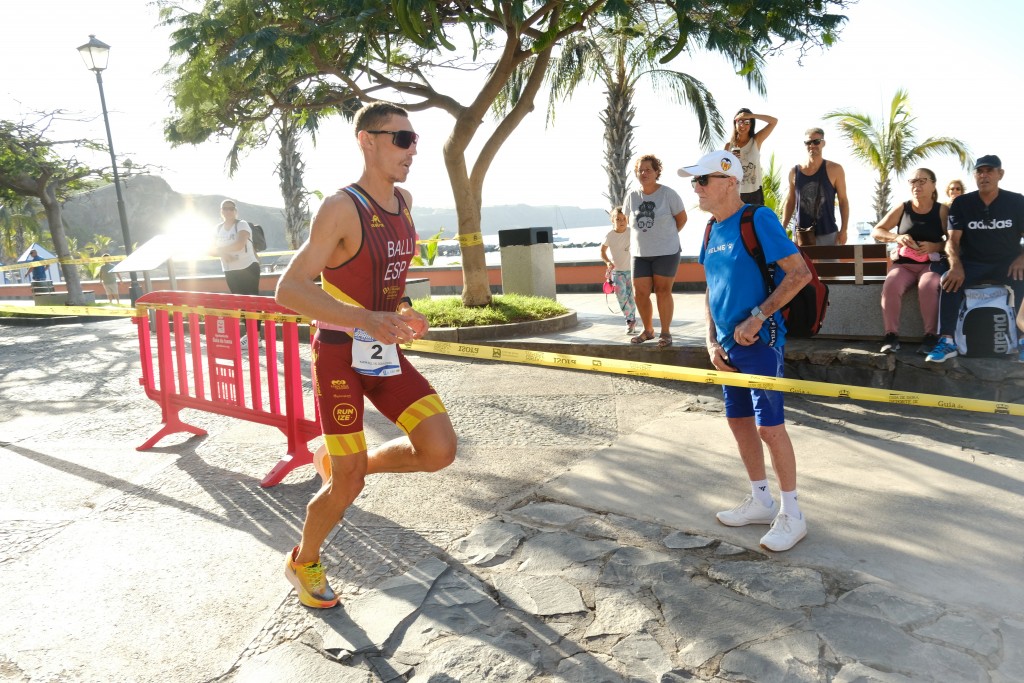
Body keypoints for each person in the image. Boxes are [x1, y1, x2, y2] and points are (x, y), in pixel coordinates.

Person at [275, 102, 457, 608]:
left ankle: (342, 464)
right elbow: (288, 290)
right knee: (348, 484)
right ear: (367, 140)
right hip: (338, 355)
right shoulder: (341, 207)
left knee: (439, 450)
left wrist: (403, 313)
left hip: (383, 352)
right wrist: (365, 319)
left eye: (415, 139)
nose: (413, 149)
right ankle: (303, 560)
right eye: (402, 139)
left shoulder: (404, 201)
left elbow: (388, 289)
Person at [682, 149, 812, 552]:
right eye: (695, 181)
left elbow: (800, 274)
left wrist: (757, 317)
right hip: (725, 346)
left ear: (730, 182)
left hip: (760, 342)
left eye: (703, 180)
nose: (697, 188)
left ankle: (792, 514)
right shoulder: (709, 230)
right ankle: (760, 500)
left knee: (768, 428)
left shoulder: (758, 219)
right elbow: (710, 288)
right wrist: (709, 340)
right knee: (739, 424)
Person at [926, 155, 1024, 363]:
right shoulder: (962, 203)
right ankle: (947, 341)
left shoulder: (1017, 201)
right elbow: (952, 241)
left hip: (1007, 263)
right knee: (948, 280)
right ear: (974, 176)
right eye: (980, 171)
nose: (984, 175)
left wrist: (1022, 257)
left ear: (1000, 174)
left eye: (989, 170)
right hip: (973, 263)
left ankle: (1023, 341)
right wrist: (956, 265)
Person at [870, 168, 948, 355]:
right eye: (913, 181)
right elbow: (877, 231)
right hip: (904, 264)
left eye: (922, 181)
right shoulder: (903, 208)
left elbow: (953, 241)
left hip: (931, 264)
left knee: (928, 286)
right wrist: (897, 237)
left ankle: (930, 337)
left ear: (933, 184)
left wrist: (935, 246)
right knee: (891, 284)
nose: (917, 185)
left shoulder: (942, 210)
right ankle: (891, 336)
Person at [622, 154, 687, 347]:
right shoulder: (632, 196)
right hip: (640, 253)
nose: (644, 173)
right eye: (640, 170)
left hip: (666, 251)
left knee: (662, 291)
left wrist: (665, 236)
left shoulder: (668, 194)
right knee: (640, 293)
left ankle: (665, 333)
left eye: (648, 169)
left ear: (657, 172)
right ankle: (648, 330)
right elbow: (627, 221)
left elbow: (681, 219)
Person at [782, 128, 850, 246]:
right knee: (802, 265)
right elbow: (790, 200)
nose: (812, 145)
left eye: (816, 141)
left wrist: (844, 230)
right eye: (808, 143)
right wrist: (782, 227)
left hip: (828, 232)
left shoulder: (835, 169)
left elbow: (843, 200)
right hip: (801, 234)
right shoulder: (794, 171)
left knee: (831, 265)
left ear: (823, 143)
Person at [724, 108, 778, 205]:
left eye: (747, 122)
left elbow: (774, 121)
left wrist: (751, 116)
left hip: (755, 193)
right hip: (735, 193)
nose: (742, 125)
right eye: (740, 121)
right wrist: (731, 160)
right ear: (735, 123)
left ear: (751, 124)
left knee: (755, 219)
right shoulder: (729, 146)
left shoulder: (756, 141)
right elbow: (723, 171)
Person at [211, 199, 261, 297]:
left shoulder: (242, 224)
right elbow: (209, 249)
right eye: (225, 209)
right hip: (229, 270)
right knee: (240, 303)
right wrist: (221, 253)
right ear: (221, 211)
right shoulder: (217, 229)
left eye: (231, 208)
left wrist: (220, 250)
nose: (228, 211)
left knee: (253, 303)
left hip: (248, 268)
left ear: (235, 211)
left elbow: (239, 245)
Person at [600, 207, 637, 335]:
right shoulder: (609, 236)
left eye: (624, 219)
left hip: (633, 271)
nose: (621, 221)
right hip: (617, 272)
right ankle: (630, 319)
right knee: (621, 296)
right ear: (612, 220)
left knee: (632, 298)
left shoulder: (632, 232)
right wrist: (608, 262)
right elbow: (602, 251)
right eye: (618, 219)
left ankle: (631, 320)